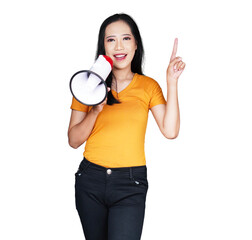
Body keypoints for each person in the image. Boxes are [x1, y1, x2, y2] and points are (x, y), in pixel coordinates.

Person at [67, 13, 185, 240]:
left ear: (136, 44)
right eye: (111, 40)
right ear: (103, 46)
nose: (119, 46)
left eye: (126, 39)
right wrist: (96, 110)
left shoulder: (148, 86)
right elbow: (73, 140)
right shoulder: (87, 84)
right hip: (90, 180)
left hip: (130, 184)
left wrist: (171, 81)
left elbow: (170, 131)